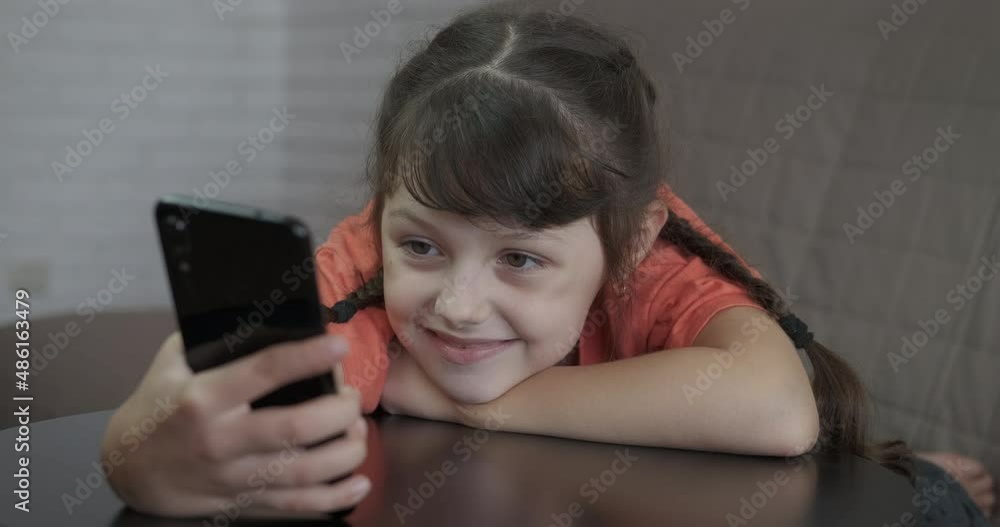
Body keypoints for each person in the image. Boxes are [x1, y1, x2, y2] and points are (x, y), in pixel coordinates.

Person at [102, 1, 994, 522]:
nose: (454, 302)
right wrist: (142, 458)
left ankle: (916, 472)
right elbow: (233, 387)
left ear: (630, 243)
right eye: (422, 245)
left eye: (520, 260)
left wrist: (454, 398)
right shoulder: (379, 246)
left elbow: (777, 410)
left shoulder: (655, 255)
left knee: (913, 503)